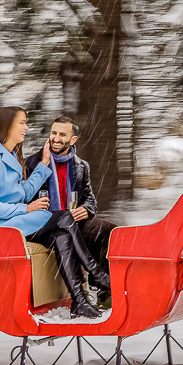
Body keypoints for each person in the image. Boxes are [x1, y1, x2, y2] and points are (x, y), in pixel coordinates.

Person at [0, 106, 110, 318]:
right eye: (22, 123)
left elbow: (23, 193)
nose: (26, 127)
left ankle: (79, 301)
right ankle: (96, 273)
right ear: (7, 126)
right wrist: (25, 208)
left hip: (17, 220)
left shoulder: (10, 156)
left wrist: (44, 165)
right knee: (63, 217)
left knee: (62, 235)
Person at [23, 115, 117, 300]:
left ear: (73, 139)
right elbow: (22, 198)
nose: (56, 138)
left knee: (110, 231)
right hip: (44, 225)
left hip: (72, 220)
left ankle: (103, 290)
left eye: (62, 134)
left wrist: (87, 209)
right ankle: (85, 289)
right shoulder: (31, 164)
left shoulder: (81, 166)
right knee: (64, 234)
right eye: (53, 133)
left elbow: (90, 199)